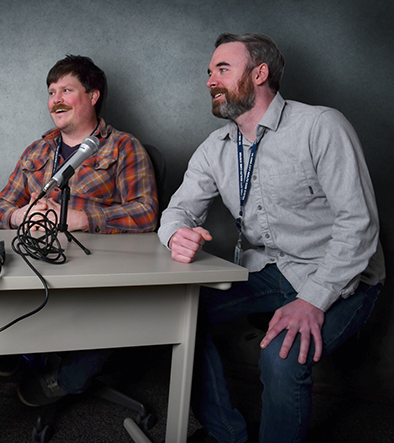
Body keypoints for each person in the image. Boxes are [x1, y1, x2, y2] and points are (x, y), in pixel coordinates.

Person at [158, 33, 385, 443]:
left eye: (222, 69)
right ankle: (228, 434)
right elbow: (176, 212)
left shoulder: (321, 125)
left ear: (260, 73)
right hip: (269, 270)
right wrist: (176, 234)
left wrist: (313, 299)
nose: (210, 79)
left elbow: (359, 225)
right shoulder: (215, 148)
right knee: (178, 314)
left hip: (342, 277)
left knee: (280, 358)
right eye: (209, 72)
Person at [0, 55, 159, 406]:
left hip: (98, 265)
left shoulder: (123, 146)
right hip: (36, 258)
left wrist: (82, 218)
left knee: (119, 305)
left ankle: (66, 378)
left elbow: (146, 213)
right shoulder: (37, 149)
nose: (56, 100)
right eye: (51, 92)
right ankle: (13, 354)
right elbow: (0, 207)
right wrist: (21, 215)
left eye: (66, 90)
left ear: (93, 95)